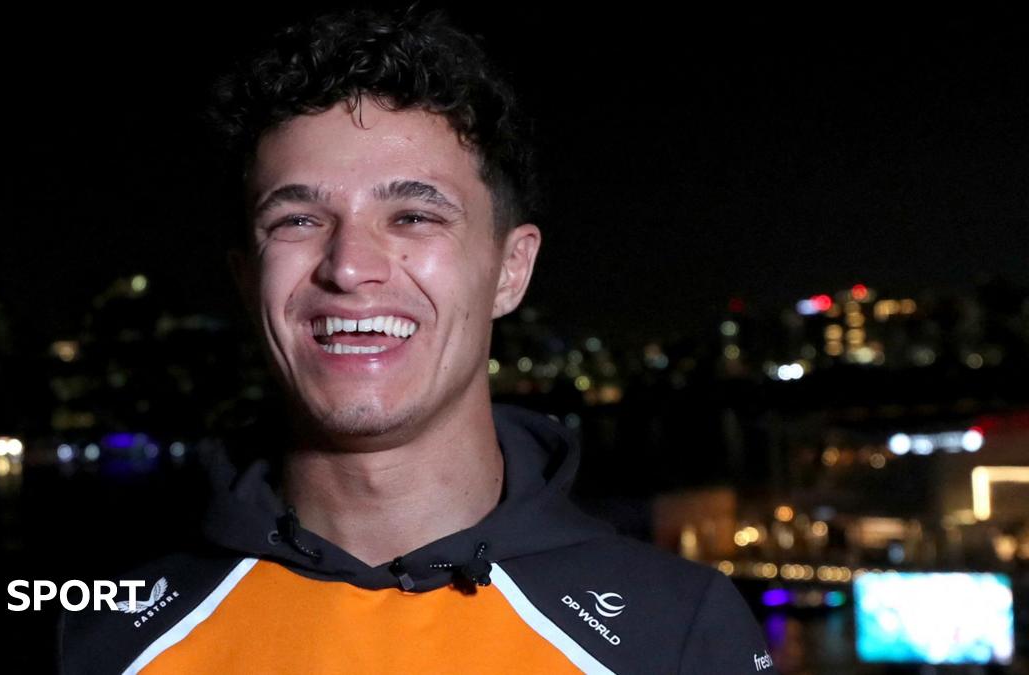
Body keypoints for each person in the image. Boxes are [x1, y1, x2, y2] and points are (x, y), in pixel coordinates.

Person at [58, 6, 773, 673]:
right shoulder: (104, 636)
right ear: (249, 282)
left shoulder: (677, 632)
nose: (349, 266)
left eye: (413, 217)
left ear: (510, 269)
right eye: (298, 220)